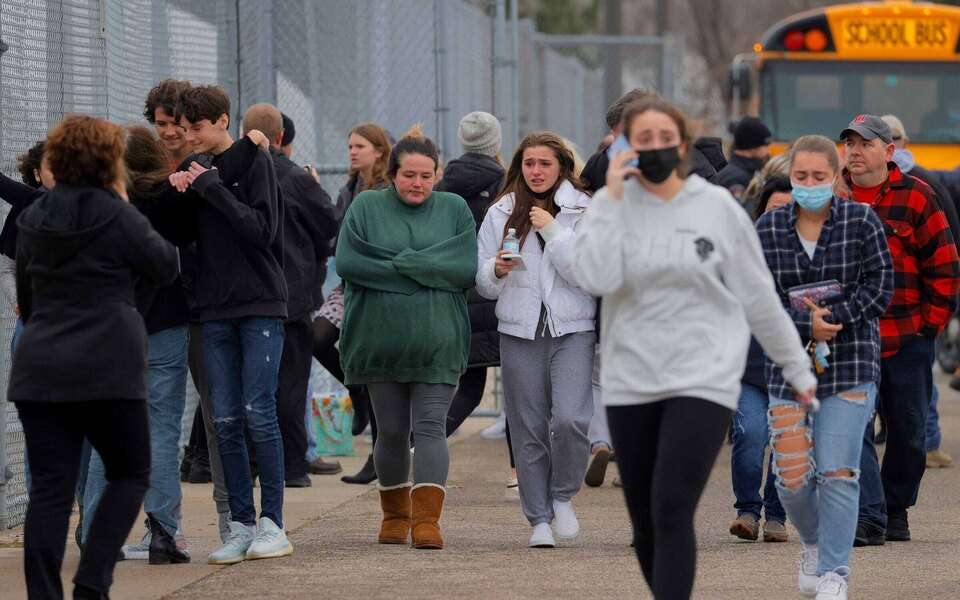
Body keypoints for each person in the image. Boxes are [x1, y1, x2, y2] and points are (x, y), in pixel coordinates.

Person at [572, 97, 817, 600]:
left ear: (683, 145)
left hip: (702, 375)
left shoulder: (717, 209)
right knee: (644, 521)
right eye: (644, 139)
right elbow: (594, 275)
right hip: (630, 378)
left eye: (666, 138)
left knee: (672, 506)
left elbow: (758, 296)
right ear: (625, 147)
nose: (656, 148)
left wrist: (797, 368)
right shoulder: (608, 206)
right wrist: (612, 201)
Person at [11, 114, 178, 600]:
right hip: (110, 364)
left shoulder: (34, 216)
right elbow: (166, 266)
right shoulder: (117, 212)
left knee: (50, 491)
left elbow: (29, 295)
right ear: (110, 161)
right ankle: (92, 580)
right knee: (129, 471)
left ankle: (44, 593)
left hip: (42, 365)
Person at [757, 135, 894, 600]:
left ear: (837, 176)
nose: (810, 184)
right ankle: (814, 542)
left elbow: (880, 287)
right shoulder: (770, 228)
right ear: (790, 175)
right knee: (792, 479)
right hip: (789, 364)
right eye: (801, 177)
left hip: (851, 360)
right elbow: (756, 297)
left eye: (819, 177)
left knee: (838, 471)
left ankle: (836, 570)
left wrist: (832, 319)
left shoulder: (861, 220)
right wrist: (802, 322)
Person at [336, 125, 477, 550]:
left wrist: (396, 265)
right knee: (392, 431)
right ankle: (395, 515)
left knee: (430, 428)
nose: (417, 183)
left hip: (438, 341)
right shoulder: (365, 206)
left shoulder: (454, 209)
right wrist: (425, 269)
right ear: (392, 173)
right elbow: (350, 261)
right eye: (408, 175)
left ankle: (427, 521)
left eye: (426, 175)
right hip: (381, 342)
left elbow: (462, 267)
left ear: (437, 174)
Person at [170, 84, 293, 564]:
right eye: (186, 129)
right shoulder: (192, 168)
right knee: (222, 418)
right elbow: (180, 236)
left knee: (258, 410)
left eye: (197, 127)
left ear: (223, 121)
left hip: (260, 302)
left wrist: (210, 188)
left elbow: (261, 230)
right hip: (213, 307)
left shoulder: (254, 161)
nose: (190, 137)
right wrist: (181, 195)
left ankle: (273, 523)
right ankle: (240, 523)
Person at [839, 114, 960, 547]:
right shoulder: (833, 196)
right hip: (849, 339)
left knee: (909, 434)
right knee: (853, 428)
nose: (854, 151)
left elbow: (945, 266)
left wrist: (929, 327)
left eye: (864, 144)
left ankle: (895, 508)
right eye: (849, 144)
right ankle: (869, 514)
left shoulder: (918, 197)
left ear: (888, 152)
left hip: (906, 337)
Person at [81, 125, 198, 564]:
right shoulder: (169, 198)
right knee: (162, 431)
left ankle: (96, 533)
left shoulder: (97, 205)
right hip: (164, 324)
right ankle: (164, 533)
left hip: (111, 330)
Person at [476, 131, 596, 549]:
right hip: (519, 330)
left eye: (545, 164)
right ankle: (539, 519)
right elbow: (484, 284)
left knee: (570, 420)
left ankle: (563, 495)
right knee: (527, 428)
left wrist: (553, 233)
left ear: (562, 166)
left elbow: (588, 275)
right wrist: (496, 271)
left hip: (572, 328)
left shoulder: (584, 208)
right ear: (519, 167)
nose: (537, 171)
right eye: (529, 164)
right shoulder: (501, 211)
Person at [242, 103, 339, 487]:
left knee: (248, 382)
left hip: (246, 292)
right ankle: (292, 467)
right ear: (281, 136)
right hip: (292, 291)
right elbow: (330, 220)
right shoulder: (295, 178)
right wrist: (311, 184)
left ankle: (248, 462)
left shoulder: (232, 172)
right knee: (292, 382)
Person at [433, 111, 513, 494]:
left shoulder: (443, 184)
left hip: (458, 294)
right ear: (495, 144)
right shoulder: (504, 185)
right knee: (519, 389)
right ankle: (519, 473)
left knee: (468, 386)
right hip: (498, 291)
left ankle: (422, 442)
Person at [312, 123, 393, 484]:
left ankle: (377, 461)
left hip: (375, 287)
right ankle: (353, 389)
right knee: (315, 338)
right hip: (348, 286)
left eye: (360, 145)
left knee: (377, 368)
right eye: (349, 145)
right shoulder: (349, 188)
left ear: (379, 150)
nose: (352, 152)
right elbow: (334, 234)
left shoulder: (387, 188)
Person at [881, 114, 957, 470]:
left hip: (911, 323)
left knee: (916, 401)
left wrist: (931, 324)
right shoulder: (846, 190)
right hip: (868, 328)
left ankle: (928, 443)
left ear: (900, 144)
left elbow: (947, 248)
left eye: (890, 137)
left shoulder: (923, 184)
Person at [728, 173, 795, 545]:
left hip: (793, 372)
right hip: (749, 370)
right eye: (773, 210)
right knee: (750, 434)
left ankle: (777, 516)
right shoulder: (741, 252)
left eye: (788, 210)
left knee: (787, 444)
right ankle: (748, 511)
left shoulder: (814, 255)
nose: (779, 217)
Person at [716, 116, 773, 206]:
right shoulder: (735, 179)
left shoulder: (744, 173)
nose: (768, 151)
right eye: (765, 146)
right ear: (751, 147)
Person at [144, 78, 193, 168]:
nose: (170, 133)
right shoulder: (145, 159)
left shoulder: (209, 157)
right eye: (161, 124)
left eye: (177, 123)